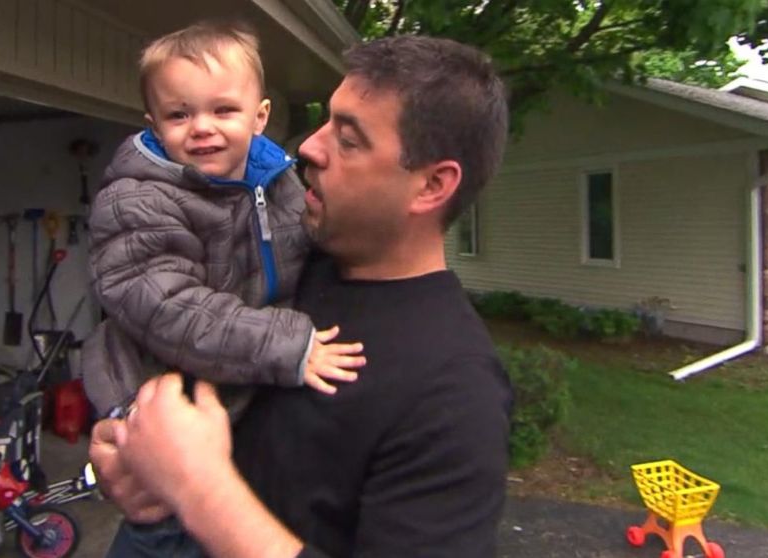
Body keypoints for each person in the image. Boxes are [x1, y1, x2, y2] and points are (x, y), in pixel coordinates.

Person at [91, 34, 514, 557]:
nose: (310, 147)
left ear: (431, 186)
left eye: (349, 138)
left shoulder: (455, 390)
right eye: (325, 121)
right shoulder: (286, 260)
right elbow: (166, 318)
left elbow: (198, 474)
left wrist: (202, 492)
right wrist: (126, 448)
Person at [79, 21, 366, 557]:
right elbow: (169, 309)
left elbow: (309, 252)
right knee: (165, 532)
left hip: (233, 413)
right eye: (179, 114)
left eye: (223, 111)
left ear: (259, 116)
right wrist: (288, 345)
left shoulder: (278, 185)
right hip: (160, 408)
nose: (201, 128)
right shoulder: (138, 201)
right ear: (154, 124)